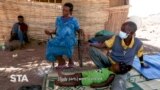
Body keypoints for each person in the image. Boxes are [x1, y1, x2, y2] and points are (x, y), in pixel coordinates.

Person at [88, 21, 149, 90]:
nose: (121, 32)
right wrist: (91, 44)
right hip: (110, 63)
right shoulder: (116, 38)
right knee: (92, 50)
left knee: (117, 86)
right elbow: (102, 45)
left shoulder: (138, 43)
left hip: (122, 69)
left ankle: (111, 76)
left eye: (123, 30)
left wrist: (142, 64)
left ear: (131, 33)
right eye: (121, 29)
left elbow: (140, 54)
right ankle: (105, 70)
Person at [45, 3, 84, 69]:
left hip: (70, 38)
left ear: (70, 11)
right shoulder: (58, 19)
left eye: (66, 10)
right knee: (51, 44)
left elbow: (77, 29)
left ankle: (70, 61)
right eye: (63, 10)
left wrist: (81, 31)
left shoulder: (74, 20)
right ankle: (61, 61)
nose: (64, 12)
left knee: (67, 41)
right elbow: (57, 30)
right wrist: (50, 32)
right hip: (59, 38)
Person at [55, 62, 132, 88]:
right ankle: (64, 76)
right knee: (76, 74)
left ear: (117, 71)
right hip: (90, 73)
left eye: (116, 65)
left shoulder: (112, 75)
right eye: (116, 63)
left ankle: (62, 84)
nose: (115, 64)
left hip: (92, 79)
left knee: (76, 82)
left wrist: (96, 85)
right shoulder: (109, 68)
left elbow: (106, 83)